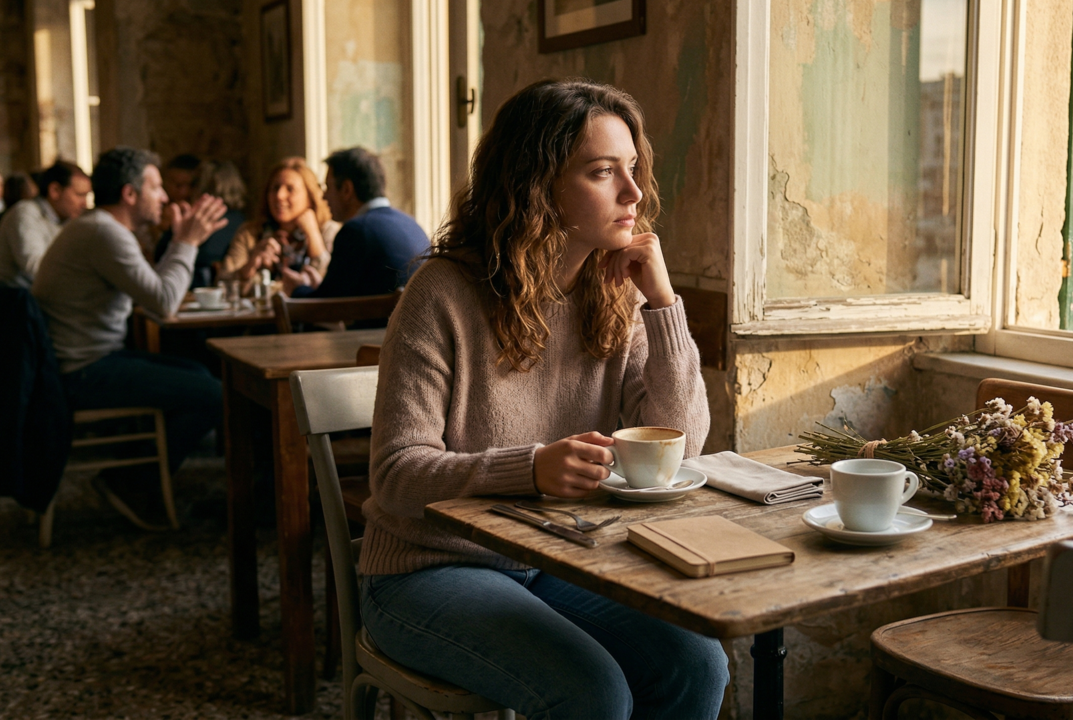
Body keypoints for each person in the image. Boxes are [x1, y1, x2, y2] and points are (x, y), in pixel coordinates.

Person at [359, 79, 727, 719]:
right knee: (593, 693)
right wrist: (529, 468)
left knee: (697, 662)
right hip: (424, 570)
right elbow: (394, 477)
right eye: (602, 172)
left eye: (632, 169)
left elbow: (681, 444)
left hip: (558, 559)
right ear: (538, 184)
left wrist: (664, 305)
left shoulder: (617, 289)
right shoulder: (440, 294)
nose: (634, 193)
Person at [32, 147, 228, 530]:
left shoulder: (98, 228)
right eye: (156, 187)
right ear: (129, 194)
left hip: (84, 362)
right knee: (215, 395)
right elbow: (165, 303)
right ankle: (131, 482)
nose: (166, 197)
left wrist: (179, 241)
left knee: (198, 373)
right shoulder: (104, 233)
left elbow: (157, 298)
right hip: (82, 372)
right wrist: (186, 241)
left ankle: (133, 475)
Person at [280, 147, 429, 303]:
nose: (323, 196)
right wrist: (319, 286)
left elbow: (327, 308)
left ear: (346, 190)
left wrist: (296, 289)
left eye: (328, 188)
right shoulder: (411, 224)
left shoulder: (356, 231)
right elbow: (341, 294)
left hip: (377, 328)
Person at [220, 157, 339, 289]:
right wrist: (251, 265)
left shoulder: (331, 232)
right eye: (275, 188)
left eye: (290, 189)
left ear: (310, 197)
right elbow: (222, 285)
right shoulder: (250, 233)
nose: (279, 195)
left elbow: (334, 286)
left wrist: (313, 235)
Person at [154, 159, 248, 288]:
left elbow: (160, 256)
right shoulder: (241, 221)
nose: (186, 191)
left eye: (192, 185)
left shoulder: (199, 220)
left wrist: (172, 231)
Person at [0, 160, 91, 288]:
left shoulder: (67, 219)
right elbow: (35, 268)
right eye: (79, 195)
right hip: (19, 302)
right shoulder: (25, 213)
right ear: (55, 190)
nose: (85, 204)